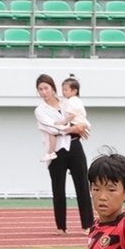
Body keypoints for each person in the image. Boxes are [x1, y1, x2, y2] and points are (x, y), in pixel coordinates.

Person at [34, 74, 93, 234]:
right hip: (56, 150)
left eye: (46, 88)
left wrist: (79, 127)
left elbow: (80, 119)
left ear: (53, 88)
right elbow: (51, 128)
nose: (44, 92)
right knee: (58, 188)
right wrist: (74, 128)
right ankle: (61, 227)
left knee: (82, 185)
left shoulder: (67, 101)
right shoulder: (40, 111)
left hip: (74, 146)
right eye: (40, 89)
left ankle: (88, 224)